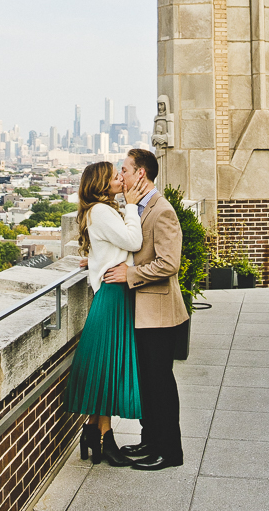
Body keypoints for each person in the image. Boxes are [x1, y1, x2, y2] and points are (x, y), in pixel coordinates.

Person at [104, 148, 188, 471]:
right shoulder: (137, 208)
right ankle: (151, 439)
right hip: (142, 313)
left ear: (141, 174)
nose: (120, 175)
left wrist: (131, 275)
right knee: (147, 383)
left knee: (161, 384)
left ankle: (170, 451)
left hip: (160, 314)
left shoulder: (162, 210)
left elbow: (169, 263)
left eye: (124, 169)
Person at [64, 160, 148, 466]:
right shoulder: (102, 211)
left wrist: (95, 260)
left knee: (107, 370)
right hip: (113, 297)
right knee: (108, 369)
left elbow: (111, 247)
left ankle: (94, 431)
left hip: (115, 295)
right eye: (115, 177)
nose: (120, 180)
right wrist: (132, 206)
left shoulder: (100, 211)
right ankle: (102, 436)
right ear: (101, 184)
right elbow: (133, 241)